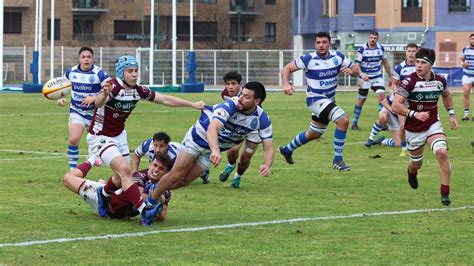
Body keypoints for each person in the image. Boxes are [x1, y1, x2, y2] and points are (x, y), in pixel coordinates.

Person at [88, 55, 204, 225]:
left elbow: (164, 99)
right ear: (122, 73)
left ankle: (103, 194)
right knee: (125, 170)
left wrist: (191, 104)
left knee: (119, 178)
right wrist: (104, 93)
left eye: (136, 71)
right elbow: (98, 103)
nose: (134, 74)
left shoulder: (138, 90)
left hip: (120, 136)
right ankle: (145, 210)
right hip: (100, 137)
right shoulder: (113, 87)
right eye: (130, 71)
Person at [143, 82, 274, 223]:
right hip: (197, 138)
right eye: (241, 94)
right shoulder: (230, 105)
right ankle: (149, 205)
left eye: (246, 97)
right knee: (177, 174)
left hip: (209, 151)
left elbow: (269, 147)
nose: (241, 98)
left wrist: (267, 164)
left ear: (257, 101)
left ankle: (154, 189)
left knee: (185, 181)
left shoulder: (262, 119)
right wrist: (216, 150)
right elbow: (213, 128)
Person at [278, 31, 359, 171]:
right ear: (315, 44)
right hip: (315, 99)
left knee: (314, 133)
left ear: (329, 43)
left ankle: (287, 149)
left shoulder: (338, 56)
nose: (321, 45)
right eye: (318, 42)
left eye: (324, 42)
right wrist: (286, 84)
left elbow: (356, 68)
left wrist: (352, 72)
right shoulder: (308, 58)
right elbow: (287, 68)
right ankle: (337, 160)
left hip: (329, 100)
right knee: (343, 119)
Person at [392, 48, 459, 206]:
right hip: (414, 129)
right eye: (417, 62)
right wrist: (414, 114)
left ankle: (445, 193)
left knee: (442, 153)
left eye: (423, 62)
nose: (419, 66)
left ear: (431, 65)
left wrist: (451, 114)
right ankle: (411, 172)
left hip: (432, 125)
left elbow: (446, 95)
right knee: (416, 163)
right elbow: (396, 105)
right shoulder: (409, 81)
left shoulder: (440, 80)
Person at [63, 153, 173, 222]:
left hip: (118, 212)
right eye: (155, 165)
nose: (156, 170)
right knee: (68, 178)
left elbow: (162, 216)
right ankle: (93, 159)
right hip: (103, 202)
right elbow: (139, 196)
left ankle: (103, 183)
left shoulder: (165, 188)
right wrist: (156, 197)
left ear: (167, 173)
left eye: (161, 168)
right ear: (150, 164)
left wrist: (160, 201)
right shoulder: (139, 176)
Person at [57, 47, 111, 169]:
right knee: (74, 139)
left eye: (89, 57)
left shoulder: (100, 73)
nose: (86, 59)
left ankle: (91, 159)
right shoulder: (70, 72)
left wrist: (94, 98)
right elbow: (62, 89)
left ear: (92, 59)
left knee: (96, 146)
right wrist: (61, 98)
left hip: (96, 114)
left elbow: (109, 91)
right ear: (79, 59)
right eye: (83, 57)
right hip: (77, 111)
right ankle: (72, 170)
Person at [218, 71, 262, 188]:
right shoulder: (225, 94)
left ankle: (237, 176)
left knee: (245, 157)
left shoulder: (248, 93)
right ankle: (230, 165)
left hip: (252, 127)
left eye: (233, 83)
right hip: (237, 125)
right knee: (232, 151)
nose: (230, 87)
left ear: (239, 84)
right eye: (228, 84)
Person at [351, 32, 394, 130]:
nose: (372, 39)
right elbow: (356, 65)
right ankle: (354, 123)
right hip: (364, 77)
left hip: (376, 76)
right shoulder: (362, 49)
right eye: (371, 37)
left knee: (381, 97)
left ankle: (382, 122)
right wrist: (362, 74)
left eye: (375, 38)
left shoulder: (380, 48)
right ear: (368, 38)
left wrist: (391, 77)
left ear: (377, 39)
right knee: (361, 99)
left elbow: (385, 62)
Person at [132, 132, 209, 184]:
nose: (158, 149)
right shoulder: (147, 145)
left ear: (167, 146)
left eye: (161, 146)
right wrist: (135, 171)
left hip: (183, 156)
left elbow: (174, 176)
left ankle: (203, 173)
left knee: (185, 175)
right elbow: (136, 155)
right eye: (155, 145)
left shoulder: (174, 157)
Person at [390, 43, 419, 156]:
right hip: (403, 101)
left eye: (413, 51)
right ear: (406, 52)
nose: (411, 53)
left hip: (417, 100)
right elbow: (394, 83)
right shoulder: (399, 68)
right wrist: (399, 93)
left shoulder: (420, 66)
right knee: (402, 126)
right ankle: (404, 148)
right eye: (409, 51)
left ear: (417, 52)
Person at [460, 33, 474, 121]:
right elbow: (461, 59)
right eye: (472, 39)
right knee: (466, 94)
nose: (473, 40)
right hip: (467, 75)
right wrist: (463, 64)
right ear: (470, 40)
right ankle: (466, 115)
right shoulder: (465, 49)